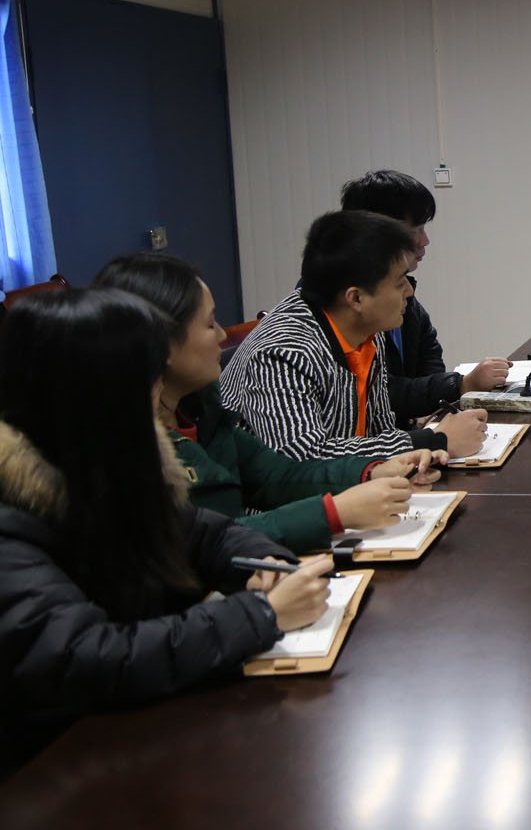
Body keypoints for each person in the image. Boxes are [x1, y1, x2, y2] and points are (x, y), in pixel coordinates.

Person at [0, 289, 332, 768]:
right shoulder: (12, 519)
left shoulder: (101, 465)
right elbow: (87, 657)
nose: (156, 400)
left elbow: (206, 533)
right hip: (53, 767)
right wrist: (261, 615)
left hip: (137, 733)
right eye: (145, 383)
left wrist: (266, 564)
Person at [96, 253, 447, 553]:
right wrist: (333, 514)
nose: (222, 335)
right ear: (163, 345)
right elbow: (206, 544)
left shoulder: (201, 408)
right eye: (209, 324)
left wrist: (371, 471)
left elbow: (275, 476)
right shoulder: (126, 448)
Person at [221, 210, 487, 460]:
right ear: (356, 298)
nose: (409, 291)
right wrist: (432, 441)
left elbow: (378, 429)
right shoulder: (283, 353)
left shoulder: (365, 328)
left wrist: (417, 453)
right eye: (399, 283)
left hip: (354, 484)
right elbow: (302, 459)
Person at [340, 170, 511, 422]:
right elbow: (375, 391)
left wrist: (430, 410)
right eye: (416, 230)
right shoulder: (346, 307)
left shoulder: (400, 290)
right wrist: (460, 385)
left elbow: (428, 353)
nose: (425, 241)